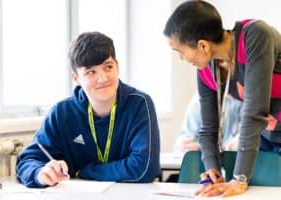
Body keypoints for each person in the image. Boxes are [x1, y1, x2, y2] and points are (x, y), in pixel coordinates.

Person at [164, 0, 281, 197]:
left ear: (202, 45)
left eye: (180, 52)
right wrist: (213, 170)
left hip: (263, 127)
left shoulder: (255, 36)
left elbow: (254, 113)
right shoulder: (206, 70)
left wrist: (240, 178)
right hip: (268, 135)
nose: (182, 59)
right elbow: (208, 128)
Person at [16, 32, 161, 188]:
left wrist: (87, 171)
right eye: (91, 72)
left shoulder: (139, 104)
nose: (103, 78)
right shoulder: (62, 113)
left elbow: (144, 169)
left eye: (108, 67)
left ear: (117, 67)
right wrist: (39, 173)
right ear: (76, 79)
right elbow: (27, 160)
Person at [174, 92, 242, 153]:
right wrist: (183, 147)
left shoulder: (244, 102)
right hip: (202, 163)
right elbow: (182, 144)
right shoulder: (199, 100)